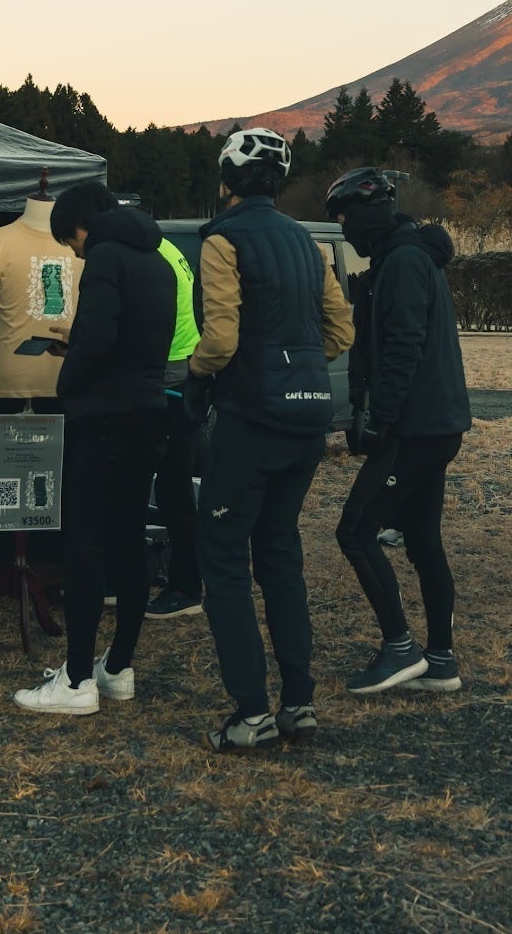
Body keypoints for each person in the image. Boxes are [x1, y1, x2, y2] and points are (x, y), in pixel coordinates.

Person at [188, 129, 355, 752]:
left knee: (224, 557)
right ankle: (298, 704)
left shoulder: (222, 239)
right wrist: (302, 364)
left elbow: (220, 338)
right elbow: (340, 329)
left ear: (227, 178)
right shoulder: (306, 242)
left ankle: (251, 712)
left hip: (250, 418)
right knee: (280, 553)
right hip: (308, 420)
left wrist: (197, 374)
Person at [15, 183, 179, 715]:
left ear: (82, 225)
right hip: (148, 412)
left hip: (103, 419)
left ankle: (77, 680)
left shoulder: (106, 257)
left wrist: (68, 381)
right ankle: (117, 667)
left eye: (70, 241)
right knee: (129, 541)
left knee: (83, 545)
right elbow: (134, 339)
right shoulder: (158, 260)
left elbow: (101, 340)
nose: (74, 252)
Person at [327, 166, 473, 696]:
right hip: (434, 424)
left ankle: (400, 648)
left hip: (416, 427)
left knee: (355, 531)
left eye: (344, 219)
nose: (344, 230)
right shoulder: (404, 257)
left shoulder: (404, 262)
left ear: (364, 215)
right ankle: (441, 661)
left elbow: (403, 347)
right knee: (423, 540)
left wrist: (379, 420)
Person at [145, 211, 208, 622]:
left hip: (170, 373)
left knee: (174, 487)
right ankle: (181, 579)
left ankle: (186, 586)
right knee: (174, 485)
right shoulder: (167, 247)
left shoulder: (152, 256)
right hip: (182, 369)